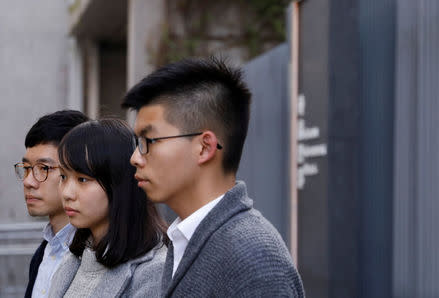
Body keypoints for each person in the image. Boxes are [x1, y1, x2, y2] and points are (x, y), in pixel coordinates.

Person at [123, 57, 305, 297]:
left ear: (205, 147)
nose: (135, 157)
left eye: (148, 141)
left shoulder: (254, 260)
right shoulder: (184, 239)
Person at [49, 119, 167, 297]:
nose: (67, 193)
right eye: (63, 177)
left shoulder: (154, 271)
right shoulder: (75, 259)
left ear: (118, 183)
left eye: (82, 179)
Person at [14, 110, 89, 298]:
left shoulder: (98, 256)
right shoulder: (43, 253)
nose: (28, 181)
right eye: (26, 168)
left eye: (44, 168)